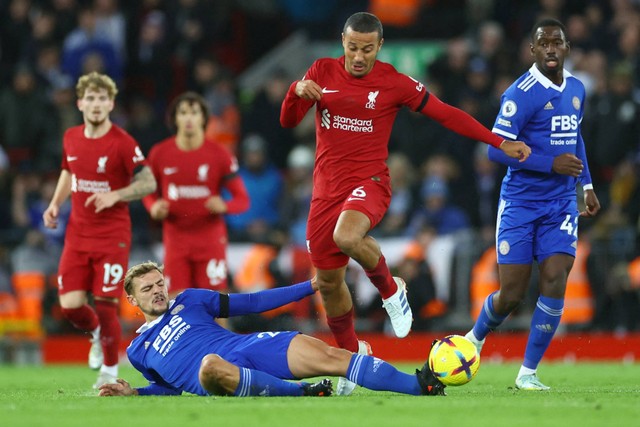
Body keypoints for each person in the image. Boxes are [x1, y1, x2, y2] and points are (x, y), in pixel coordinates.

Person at [279, 11, 531, 395]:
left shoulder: (393, 82)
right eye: (352, 48)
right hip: (325, 192)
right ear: (342, 43)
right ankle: (352, 361)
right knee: (329, 286)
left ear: (379, 47)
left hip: (370, 182)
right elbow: (287, 120)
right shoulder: (321, 71)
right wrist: (295, 91)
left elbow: (445, 114)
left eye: (367, 49)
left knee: (347, 236)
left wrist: (499, 141)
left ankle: (390, 289)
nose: (358, 57)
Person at [463, 18, 601, 391]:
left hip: (559, 205)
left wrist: (585, 185)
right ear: (533, 50)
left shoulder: (576, 88)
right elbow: (495, 150)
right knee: (511, 294)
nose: (552, 49)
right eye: (544, 43)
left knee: (555, 278)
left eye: (558, 42)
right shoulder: (519, 94)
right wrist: (548, 163)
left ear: (567, 47)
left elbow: (575, 139)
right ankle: (474, 340)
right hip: (521, 203)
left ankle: (528, 372)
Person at [97, 261, 446, 397]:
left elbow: (251, 303)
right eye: (147, 289)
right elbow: (171, 391)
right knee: (210, 366)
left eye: (159, 283)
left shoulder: (190, 299)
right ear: (132, 300)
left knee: (334, 355)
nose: (157, 291)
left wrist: (309, 287)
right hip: (218, 374)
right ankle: (305, 393)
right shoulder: (138, 351)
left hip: (249, 347)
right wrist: (137, 394)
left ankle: (421, 385)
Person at [43, 71, 157, 389]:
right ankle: (96, 334)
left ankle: (109, 369)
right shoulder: (71, 137)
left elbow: (148, 181)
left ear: (111, 104)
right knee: (69, 306)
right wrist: (55, 204)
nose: (96, 104)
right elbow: (69, 172)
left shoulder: (122, 142)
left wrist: (116, 195)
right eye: (90, 98)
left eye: (102, 98)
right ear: (80, 103)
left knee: (106, 302)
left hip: (111, 236)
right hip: (77, 234)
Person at [142, 92, 249, 309]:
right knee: (175, 303)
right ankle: (183, 344)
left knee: (216, 303)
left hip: (209, 239)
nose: (189, 118)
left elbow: (242, 200)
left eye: (194, 112)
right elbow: (147, 190)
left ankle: (219, 344)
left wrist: (225, 205)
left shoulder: (220, 154)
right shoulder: (160, 153)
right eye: (183, 113)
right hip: (176, 239)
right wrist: (153, 207)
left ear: (203, 118)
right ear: (174, 119)